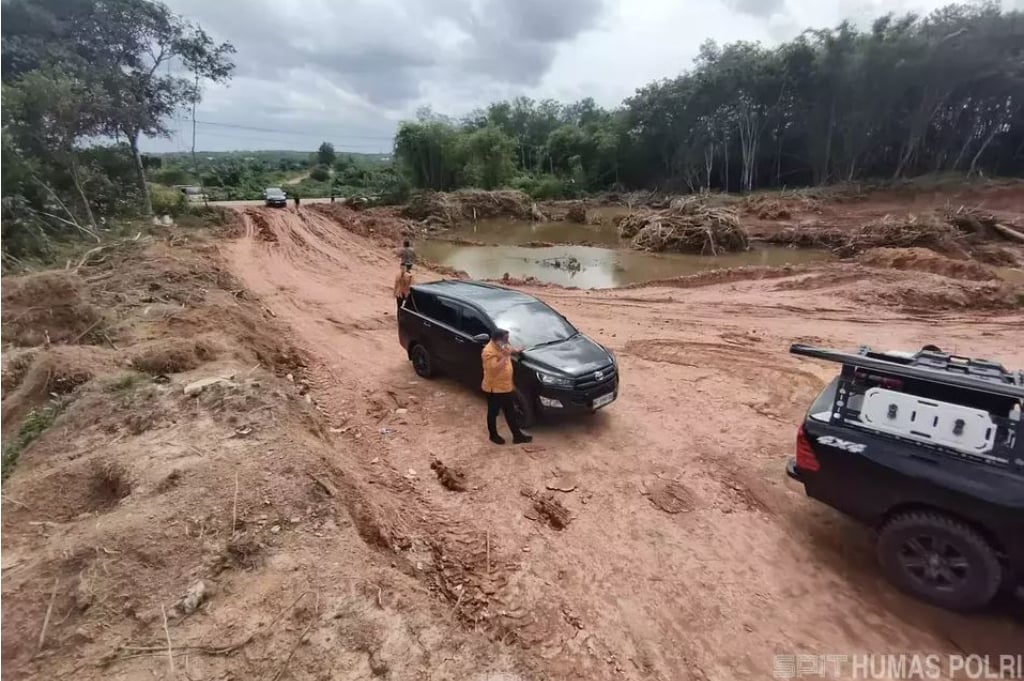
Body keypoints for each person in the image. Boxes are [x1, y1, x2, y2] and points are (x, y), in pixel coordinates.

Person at [481, 329, 532, 445]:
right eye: (505, 339)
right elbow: (494, 369)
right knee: (493, 412)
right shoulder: (488, 352)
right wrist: (505, 357)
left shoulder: (502, 345)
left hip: (505, 386)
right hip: (494, 389)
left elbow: (509, 349)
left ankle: (517, 436)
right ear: (497, 340)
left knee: (510, 411)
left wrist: (517, 350)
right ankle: (493, 435)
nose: (507, 341)